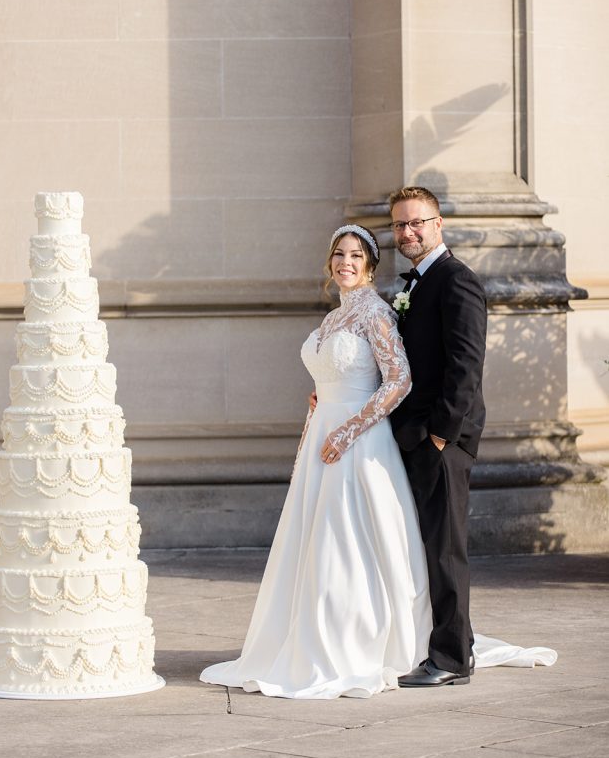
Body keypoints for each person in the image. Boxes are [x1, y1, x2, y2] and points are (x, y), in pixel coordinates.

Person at [199, 219, 555, 699]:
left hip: (359, 443)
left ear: (369, 267)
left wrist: (346, 430)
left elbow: (398, 381)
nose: (346, 263)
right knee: (315, 543)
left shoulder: (376, 312)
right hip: (324, 437)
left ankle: (357, 645)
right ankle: (305, 642)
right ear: (330, 263)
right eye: (339, 255)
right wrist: (318, 411)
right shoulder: (332, 318)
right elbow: (332, 377)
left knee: (347, 544)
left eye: (355, 257)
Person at [387, 186, 486, 686]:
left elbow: (465, 369)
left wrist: (441, 438)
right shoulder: (417, 284)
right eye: (401, 225)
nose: (408, 232)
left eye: (417, 222)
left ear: (438, 222)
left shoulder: (456, 281)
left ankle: (449, 661)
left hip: (442, 442)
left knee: (446, 551)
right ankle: (454, 643)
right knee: (429, 547)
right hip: (414, 438)